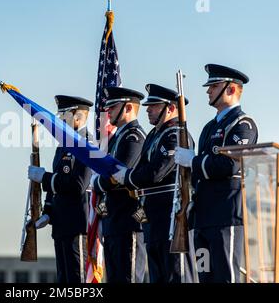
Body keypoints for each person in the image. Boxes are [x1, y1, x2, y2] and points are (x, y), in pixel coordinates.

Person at [175, 64, 258, 283]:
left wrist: (193, 161)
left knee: (225, 277)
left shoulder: (243, 124)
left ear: (230, 89)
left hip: (225, 216)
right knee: (205, 277)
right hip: (202, 218)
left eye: (214, 85)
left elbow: (230, 165)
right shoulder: (208, 128)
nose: (208, 90)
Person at [112, 84, 195, 283]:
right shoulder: (153, 136)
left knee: (176, 275)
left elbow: (155, 173)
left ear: (172, 108)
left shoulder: (176, 135)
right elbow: (142, 168)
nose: (148, 109)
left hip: (170, 218)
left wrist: (127, 177)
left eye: (155, 106)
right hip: (153, 219)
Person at [28, 95, 93, 283]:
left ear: (78, 117)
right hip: (61, 223)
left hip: (78, 224)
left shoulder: (87, 144)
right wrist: (48, 211)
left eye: (63, 115)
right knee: (63, 279)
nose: (58, 120)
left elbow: (78, 185)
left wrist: (44, 178)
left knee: (77, 280)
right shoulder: (65, 144)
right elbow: (58, 181)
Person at [92, 86, 147, 283]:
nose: (109, 112)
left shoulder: (134, 137)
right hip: (114, 220)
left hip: (128, 220)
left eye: (113, 107)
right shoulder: (118, 138)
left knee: (128, 278)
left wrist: (98, 182)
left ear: (129, 107)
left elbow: (118, 176)